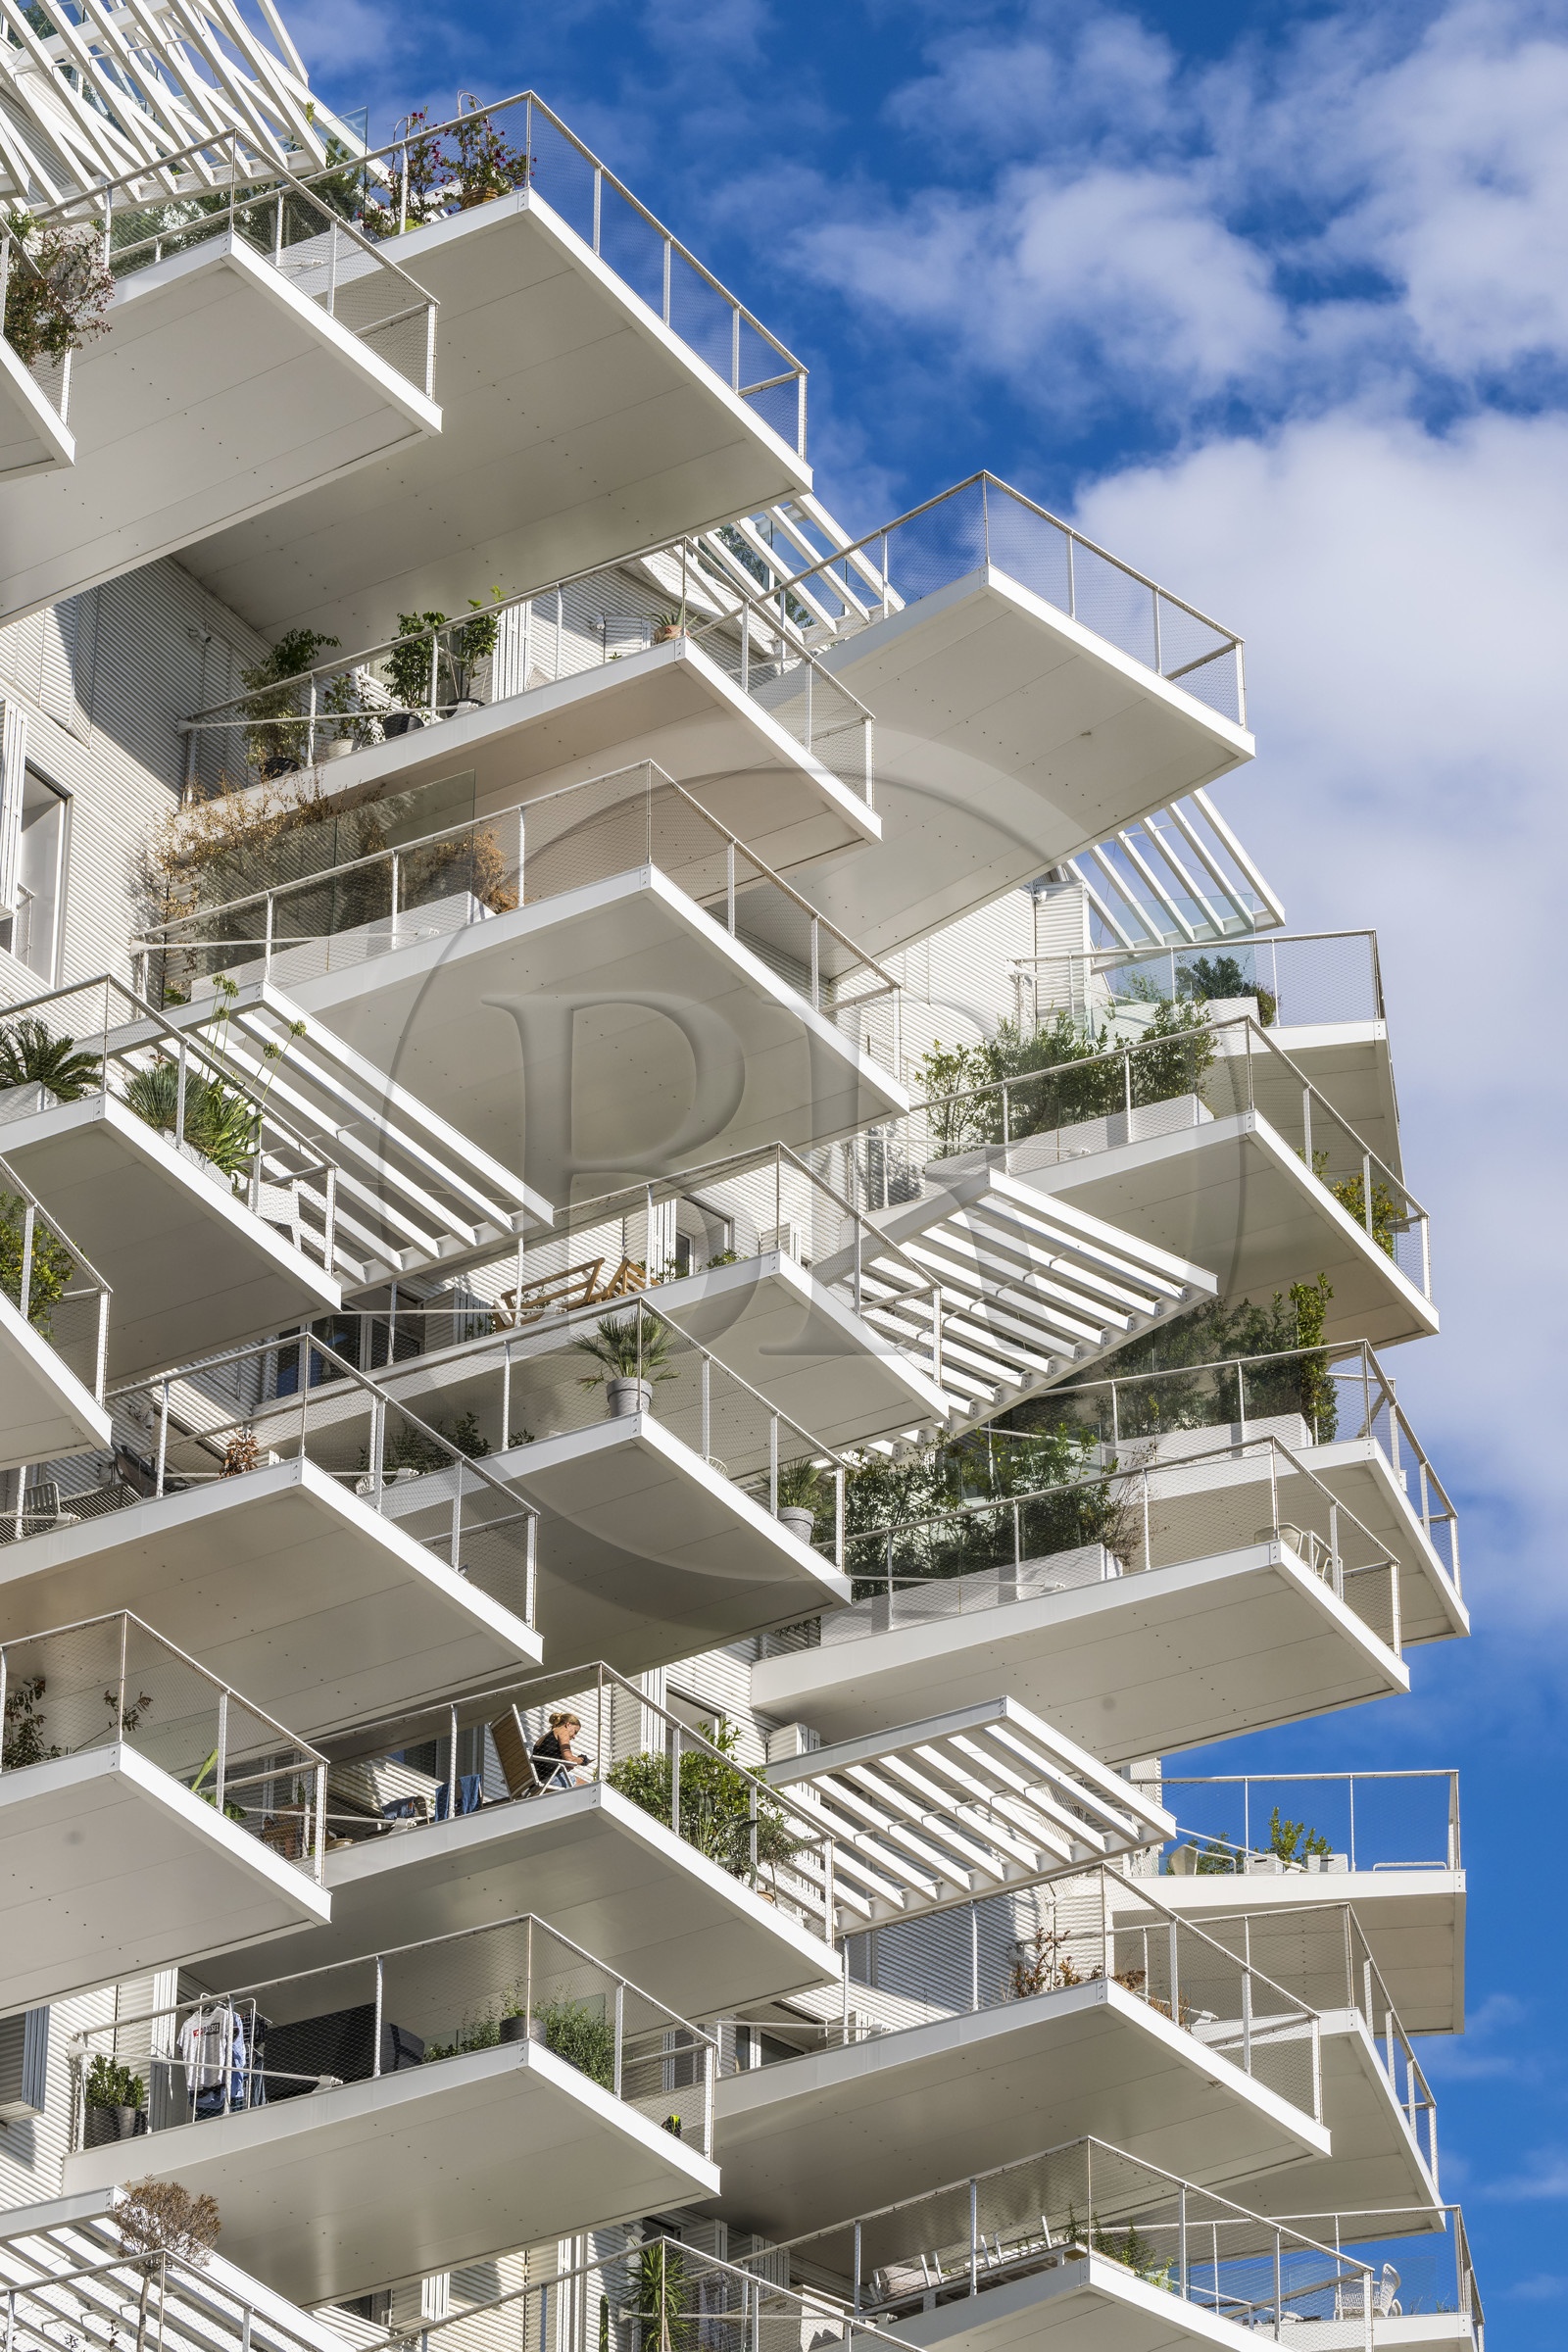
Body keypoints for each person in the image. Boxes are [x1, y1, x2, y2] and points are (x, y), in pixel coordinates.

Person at [531, 1709, 591, 1791]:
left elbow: (548, 1758)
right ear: (568, 1724)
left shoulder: (546, 1736)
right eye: (575, 1732)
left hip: (541, 1780)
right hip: (552, 1778)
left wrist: (567, 1764)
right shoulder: (563, 1731)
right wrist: (583, 1760)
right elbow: (569, 1759)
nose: (574, 1736)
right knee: (591, 1788)